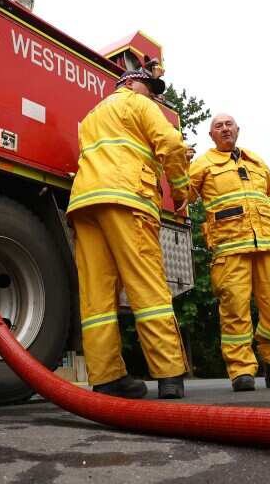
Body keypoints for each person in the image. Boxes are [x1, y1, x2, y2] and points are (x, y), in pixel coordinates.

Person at [67, 67, 192, 400]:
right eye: (150, 88)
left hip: (85, 203)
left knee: (97, 299)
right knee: (146, 285)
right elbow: (171, 143)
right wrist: (180, 191)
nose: (154, 95)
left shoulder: (92, 115)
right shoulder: (139, 104)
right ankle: (169, 374)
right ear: (131, 84)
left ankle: (107, 378)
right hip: (127, 198)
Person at [189, 114, 270, 392]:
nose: (225, 128)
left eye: (229, 124)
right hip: (230, 250)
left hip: (267, 245)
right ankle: (241, 371)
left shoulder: (255, 160)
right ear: (211, 135)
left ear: (238, 130)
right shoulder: (203, 163)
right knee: (234, 309)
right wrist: (181, 165)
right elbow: (185, 195)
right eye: (219, 126)